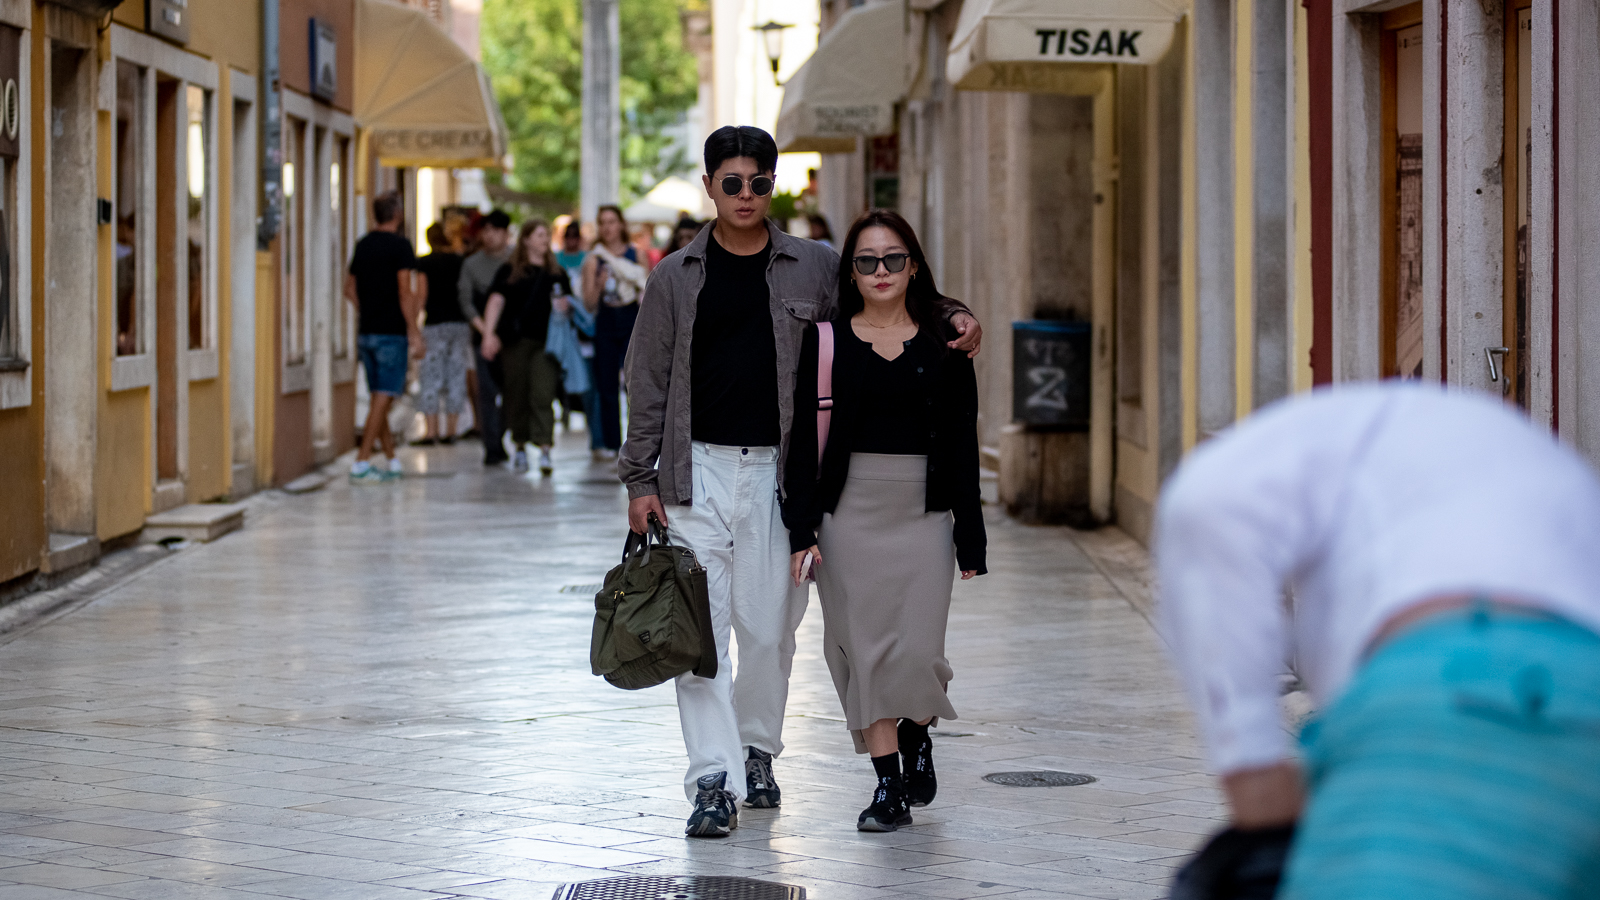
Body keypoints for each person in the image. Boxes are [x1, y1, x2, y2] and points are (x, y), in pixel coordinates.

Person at [621, 125, 985, 838]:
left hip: (779, 477)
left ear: (773, 186)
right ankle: (713, 780)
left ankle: (757, 751)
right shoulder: (674, 277)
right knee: (700, 640)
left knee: (768, 634)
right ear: (709, 187)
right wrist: (640, 480)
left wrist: (954, 315)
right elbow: (647, 380)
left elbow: (886, 297)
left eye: (758, 182)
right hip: (695, 474)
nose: (745, 195)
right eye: (731, 183)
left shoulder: (814, 267)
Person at [1155, 384, 1600, 900]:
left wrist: (1253, 772)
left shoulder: (1274, 449)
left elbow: (1202, 504)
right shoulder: (1509, 447)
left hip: (1454, 694)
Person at [782, 209, 986, 832]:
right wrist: (801, 531)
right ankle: (888, 787)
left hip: (924, 514)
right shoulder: (825, 341)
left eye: (894, 258)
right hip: (848, 517)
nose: (881, 271)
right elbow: (802, 445)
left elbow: (963, 442)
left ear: (914, 266)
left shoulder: (947, 344)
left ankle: (918, 732)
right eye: (866, 260)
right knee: (863, 653)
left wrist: (971, 536)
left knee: (920, 653)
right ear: (850, 271)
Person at [480, 220, 572, 476]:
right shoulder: (510, 271)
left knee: (543, 393)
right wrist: (488, 335)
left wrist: (565, 307)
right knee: (516, 393)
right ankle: (520, 445)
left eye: (546, 235)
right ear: (527, 239)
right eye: (540, 235)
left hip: (547, 344)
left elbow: (569, 303)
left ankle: (545, 449)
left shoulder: (556, 272)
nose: (545, 240)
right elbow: (496, 301)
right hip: (515, 342)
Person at [344, 191, 420, 484]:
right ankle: (361, 461)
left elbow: (349, 288)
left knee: (379, 397)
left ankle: (391, 460)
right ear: (397, 213)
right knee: (384, 396)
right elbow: (404, 291)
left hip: (366, 331)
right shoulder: (401, 246)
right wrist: (413, 329)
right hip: (391, 333)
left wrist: (368, 310)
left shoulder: (363, 244)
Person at [582, 205, 649, 457]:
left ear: (621, 224)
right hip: (606, 322)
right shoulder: (594, 259)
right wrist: (598, 284)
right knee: (607, 386)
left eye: (611, 221)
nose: (607, 227)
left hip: (632, 319)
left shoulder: (636, 254)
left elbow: (648, 290)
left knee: (636, 386)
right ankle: (612, 444)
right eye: (603, 222)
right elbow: (589, 304)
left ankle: (638, 444)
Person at [459, 209, 514, 465]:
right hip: (482, 337)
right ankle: (492, 446)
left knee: (513, 391)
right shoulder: (471, 264)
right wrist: (486, 333)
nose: (490, 236)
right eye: (486, 230)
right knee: (487, 392)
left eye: (496, 230)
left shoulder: (516, 260)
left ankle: (500, 434)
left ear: (506, 233)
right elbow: (466, 302)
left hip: (512, 336)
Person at [413, 223, 469, 445]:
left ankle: (431, 431)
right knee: (456, 374)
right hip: (459, 324)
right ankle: (451, 429)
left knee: (431, 376)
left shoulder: (425, 263)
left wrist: (414, 325)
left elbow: (422, 295)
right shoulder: (461, 262)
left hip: (435, 323)